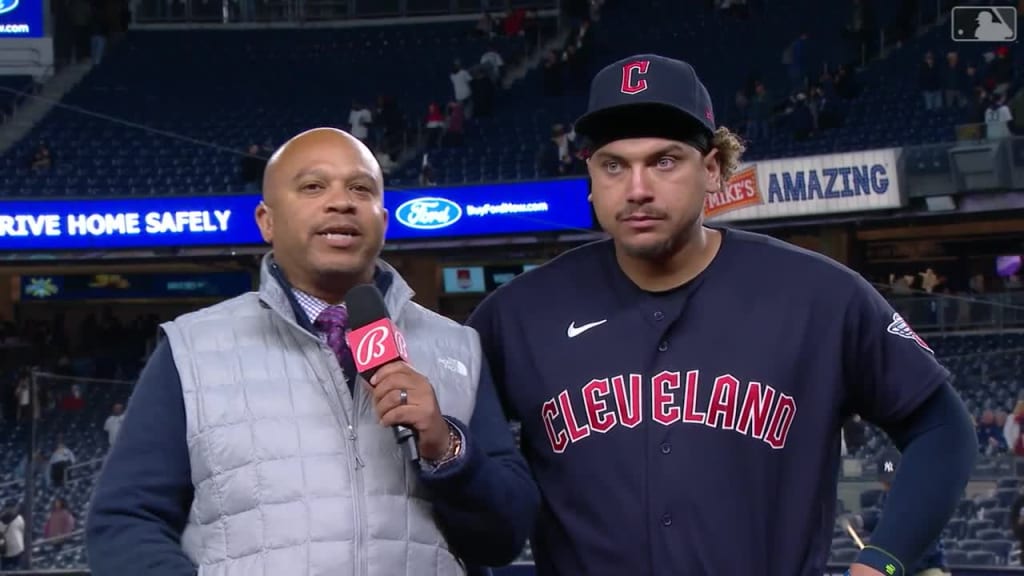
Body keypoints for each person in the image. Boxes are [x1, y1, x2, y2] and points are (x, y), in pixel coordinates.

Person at [467, 54, 977, 576]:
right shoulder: (515, 316)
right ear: (592, 178)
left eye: (664, 161)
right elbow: (464, 482)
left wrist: (883, 563)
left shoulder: (820, 294)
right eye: (614, 165)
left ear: (711, 169)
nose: (637, 188)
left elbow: (943, 428)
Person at [86, 127, 540, 576]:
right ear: (267, 220)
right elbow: (125, 523)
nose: (341, 201)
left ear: (382, 221)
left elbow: (505, 538)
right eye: (313, 186)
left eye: (361, 188)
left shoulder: (457, 347)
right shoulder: (191, 349)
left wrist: (447, 448)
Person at [857, 450, 950, 576]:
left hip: (926, 569)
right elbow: (881, 517)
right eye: (886, 482)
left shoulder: (922, 499)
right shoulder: (886, 498)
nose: (889, 486)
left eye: (894, 481)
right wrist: (861, 521)